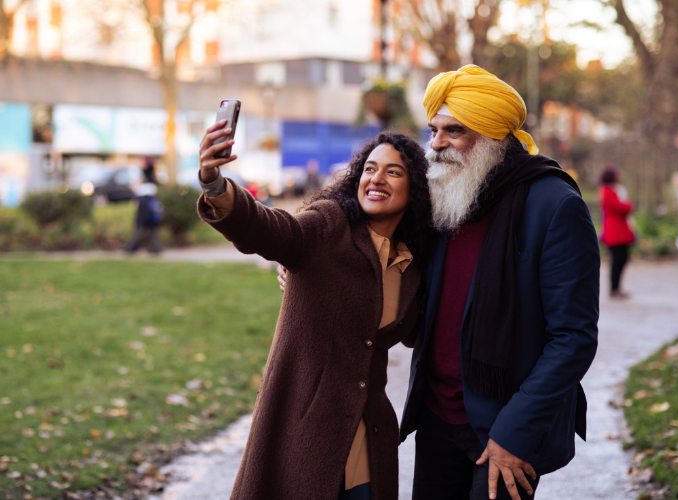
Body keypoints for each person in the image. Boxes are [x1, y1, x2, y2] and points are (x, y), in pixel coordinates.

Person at [277, 65, 600, 500]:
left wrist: (514, 433)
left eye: (454, 131)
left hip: (505, 428)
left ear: (492, 135)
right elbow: (373, 236)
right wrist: (312, 267)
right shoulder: (446, 196)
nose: (437, 144)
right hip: (436, 417)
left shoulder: (554, 206)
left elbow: (573, 338)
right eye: (434, 130)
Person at [197, 125, 432, 500]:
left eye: (393, 171)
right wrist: (215, 186)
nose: (377, 178)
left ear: (414, 188)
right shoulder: (329, 224)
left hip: (368, 441)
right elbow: (272, 230)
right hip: (305, 432)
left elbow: (422, 331)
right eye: (370, 168)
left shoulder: (413, 263)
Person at [599, 166, 635, 299]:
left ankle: (617, 288)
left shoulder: (612, 190)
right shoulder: (607, 191)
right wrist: (629, 205)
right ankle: (614, 289)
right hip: (615, 232)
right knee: (617, 260)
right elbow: (617, 207)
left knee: (622, 259)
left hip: (619, 231)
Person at [124, 156, 162, 254]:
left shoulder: (145, 175)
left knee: (140, 224)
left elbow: (135, 186)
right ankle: (153, 247)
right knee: (150, 226)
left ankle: (132, 247)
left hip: (144, 201)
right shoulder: (151, 175)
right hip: (148, 200)